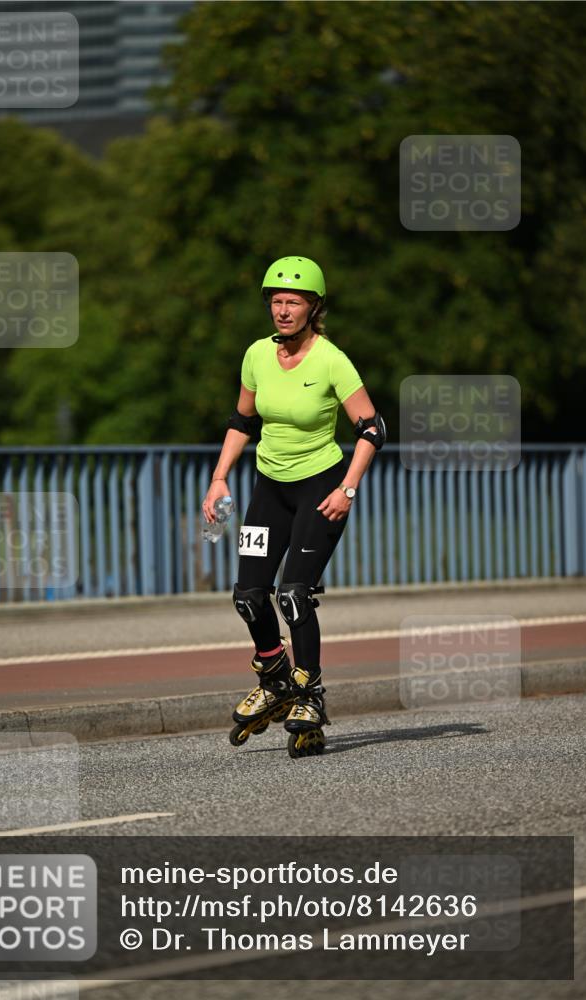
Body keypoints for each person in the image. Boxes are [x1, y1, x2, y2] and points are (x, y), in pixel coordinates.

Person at [202, 256, 385, 758]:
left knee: (294, 596)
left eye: (293, 302)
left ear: (313, 307)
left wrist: (347, 488)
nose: (283, 311)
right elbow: (242, 422)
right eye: (276, 302)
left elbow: (372, 428)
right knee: (248, 596)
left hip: (319, 489)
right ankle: (275, 675)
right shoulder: (257, 355)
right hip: (269, 490)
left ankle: (309, 695)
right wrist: (218, 479)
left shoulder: (331, 360)